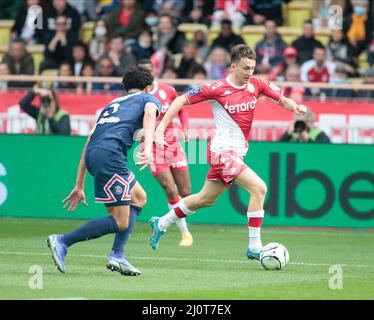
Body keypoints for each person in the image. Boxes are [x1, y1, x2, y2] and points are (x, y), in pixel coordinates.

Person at [148, 44, 307, 260]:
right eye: (245, 68)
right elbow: (180, 100)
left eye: (252, 68)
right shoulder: (216, 88)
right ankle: (254, 247)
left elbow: (283, 100)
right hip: (221, 152)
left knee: (204, 199)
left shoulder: (257, 84)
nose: (249, 72)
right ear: (233, 66)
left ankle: (161, 222)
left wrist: (295, 106)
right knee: (259, 188)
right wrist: (160, 127)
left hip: (236, 153)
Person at [46, 66, 162, 276]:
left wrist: (79, 184)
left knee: (139, 197)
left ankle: (117, 255)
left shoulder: (111, 105)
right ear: (148, 87)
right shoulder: (148, 99)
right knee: (120, 220)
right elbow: (149, 115)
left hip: (96, 154)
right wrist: (147, 148)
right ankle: (62, 241)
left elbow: (89, 143)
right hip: (111, 156)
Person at [137, 58, 193, 246]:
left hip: (172, 145)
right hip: (152, 148)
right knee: (170, 189)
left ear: (154, 71)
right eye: (143, 71)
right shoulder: (138, 97)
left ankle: (161, 223)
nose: (147, 74)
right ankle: (186, 234)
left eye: (149, 70)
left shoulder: (167, 90)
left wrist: (185, 128)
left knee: (186, 192)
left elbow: (181, 109)